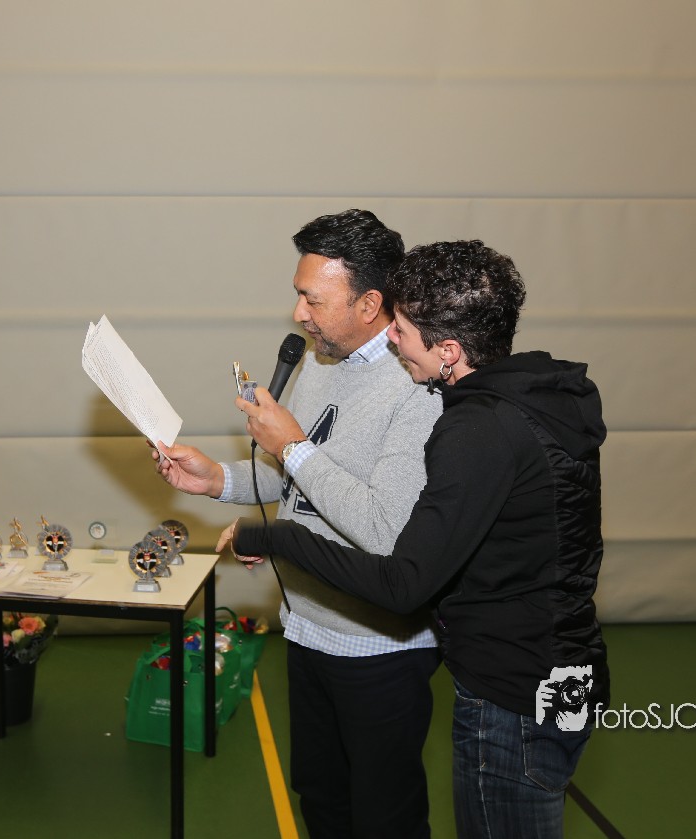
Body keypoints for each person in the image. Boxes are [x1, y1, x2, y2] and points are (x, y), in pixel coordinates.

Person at [221, 240, 610, 839]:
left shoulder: (477, 429)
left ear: (448, 350)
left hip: (513, 688)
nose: (393, 342)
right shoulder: (531, 398)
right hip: (561, 669)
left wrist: (280, 539)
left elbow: (403, 583)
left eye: (401, 330)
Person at [152, 209, 444, 838]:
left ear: (370, 304)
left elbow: (385, 530)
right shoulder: (321, 360)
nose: (298, 314)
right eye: (298, 294)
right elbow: (300, 483)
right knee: (321, 799)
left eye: (313, 299)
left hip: (378, 648)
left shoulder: (417, 386)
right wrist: (216, 480)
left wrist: (291, 445)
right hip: (308, 626)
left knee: (384, 816)